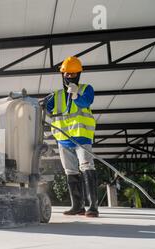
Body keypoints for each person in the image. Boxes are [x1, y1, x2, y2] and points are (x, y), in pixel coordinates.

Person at [46, 56, 99, 218]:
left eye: (72, 74)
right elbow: (46, 109)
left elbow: (85, 103)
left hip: (82, 138)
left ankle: (92, 207)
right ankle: (77, 206)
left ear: (78, 74)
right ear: (62, 75)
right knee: (70, 171)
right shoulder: (55, 95)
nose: (69, 77)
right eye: (66, 74)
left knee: (87, 168)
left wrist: (76, 95)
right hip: (63, 139)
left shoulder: (86, 89)